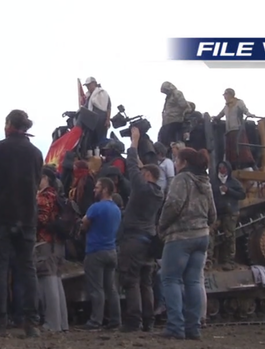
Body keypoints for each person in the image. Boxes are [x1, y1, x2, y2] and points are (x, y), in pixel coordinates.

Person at [0, 109, 43, 338]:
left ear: (8, 125)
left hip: (1, 217)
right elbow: (36, 182)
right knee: (27, 269)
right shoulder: (35, 153)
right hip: (27, 218)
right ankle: (31, 322)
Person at [158, 147, 216, 340]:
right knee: (192, 281)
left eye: (176, 160)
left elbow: (173, 205)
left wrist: (162, 225)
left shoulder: (181, 179)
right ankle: (194, 328)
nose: (174, 163)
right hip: (202, 236)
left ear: (183, 162)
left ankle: (175, 326)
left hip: (180, 237)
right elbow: (213, 214)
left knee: (171, 279)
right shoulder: (205, 181)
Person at [118, 127, 164, 332]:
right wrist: (142, 165)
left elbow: (130, 165)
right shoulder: (158, 193)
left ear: (146, 174)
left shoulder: (141, 188)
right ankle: (149, 321)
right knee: (146, 282)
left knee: (132, 280)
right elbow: (139, 169)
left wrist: (134, 141)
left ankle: (133, 321)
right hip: (149, 241)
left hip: (133, 240)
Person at [80, 177, 122, 330]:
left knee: (96, 288)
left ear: (104, 189)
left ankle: (95, 321)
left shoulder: (95, 207)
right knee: (111, 288)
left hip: (95, 251)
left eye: (97, 187)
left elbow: (84, 224)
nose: (94, 190)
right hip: (111, 250)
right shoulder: (116, 209)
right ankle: (115, 321)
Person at [35, 167, 68, 332]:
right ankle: (63, 323)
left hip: (45, 242)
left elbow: (41, 219)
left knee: (48, 282)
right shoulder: (57, 196)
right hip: (59, 243)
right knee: (57, 281)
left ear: (44, 178)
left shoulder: (42, 198)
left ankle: (52, 323)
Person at [210, 161, 245, 270]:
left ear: (228, 169)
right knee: (210, 233)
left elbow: (242, 195)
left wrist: (229, 190)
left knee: (229, 236)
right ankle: (209, 260)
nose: (221, 169)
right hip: (217, 212)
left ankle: (229, 261)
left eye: (224, 168)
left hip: (230, 213)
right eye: (219, 167)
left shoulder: (234, 182)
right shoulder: (214, 182)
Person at [213, 88, 256, 170]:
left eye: (225, 95)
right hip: (229, 131)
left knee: (241, 148)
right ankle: (233, 165)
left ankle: (246, 163)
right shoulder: (226, 106)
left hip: (238, 129)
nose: (224, 97)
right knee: (231, 149)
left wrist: (250, 115)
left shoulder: (239, 103)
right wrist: (216, 118)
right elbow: (221, 114)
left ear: (230, 94)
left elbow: (245, 111)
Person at [158, 81, 191, 150]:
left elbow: (184, 106)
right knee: (165, 140)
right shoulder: (168, 97)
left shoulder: (176, 94)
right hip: (168, 122)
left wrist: (183, 116)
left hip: (176, 121)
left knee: (174, 143)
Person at [83, 77, 112, 146]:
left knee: (100, 140)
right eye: (87, 86)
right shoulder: (89, 97)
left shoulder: (103, 93)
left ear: (94, 84)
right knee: (90, 140)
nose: (88, 87)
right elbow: (85, 108)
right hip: (91, 121)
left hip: (101, 120)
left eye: (89, 85)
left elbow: (108, 107)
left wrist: (108, 120)